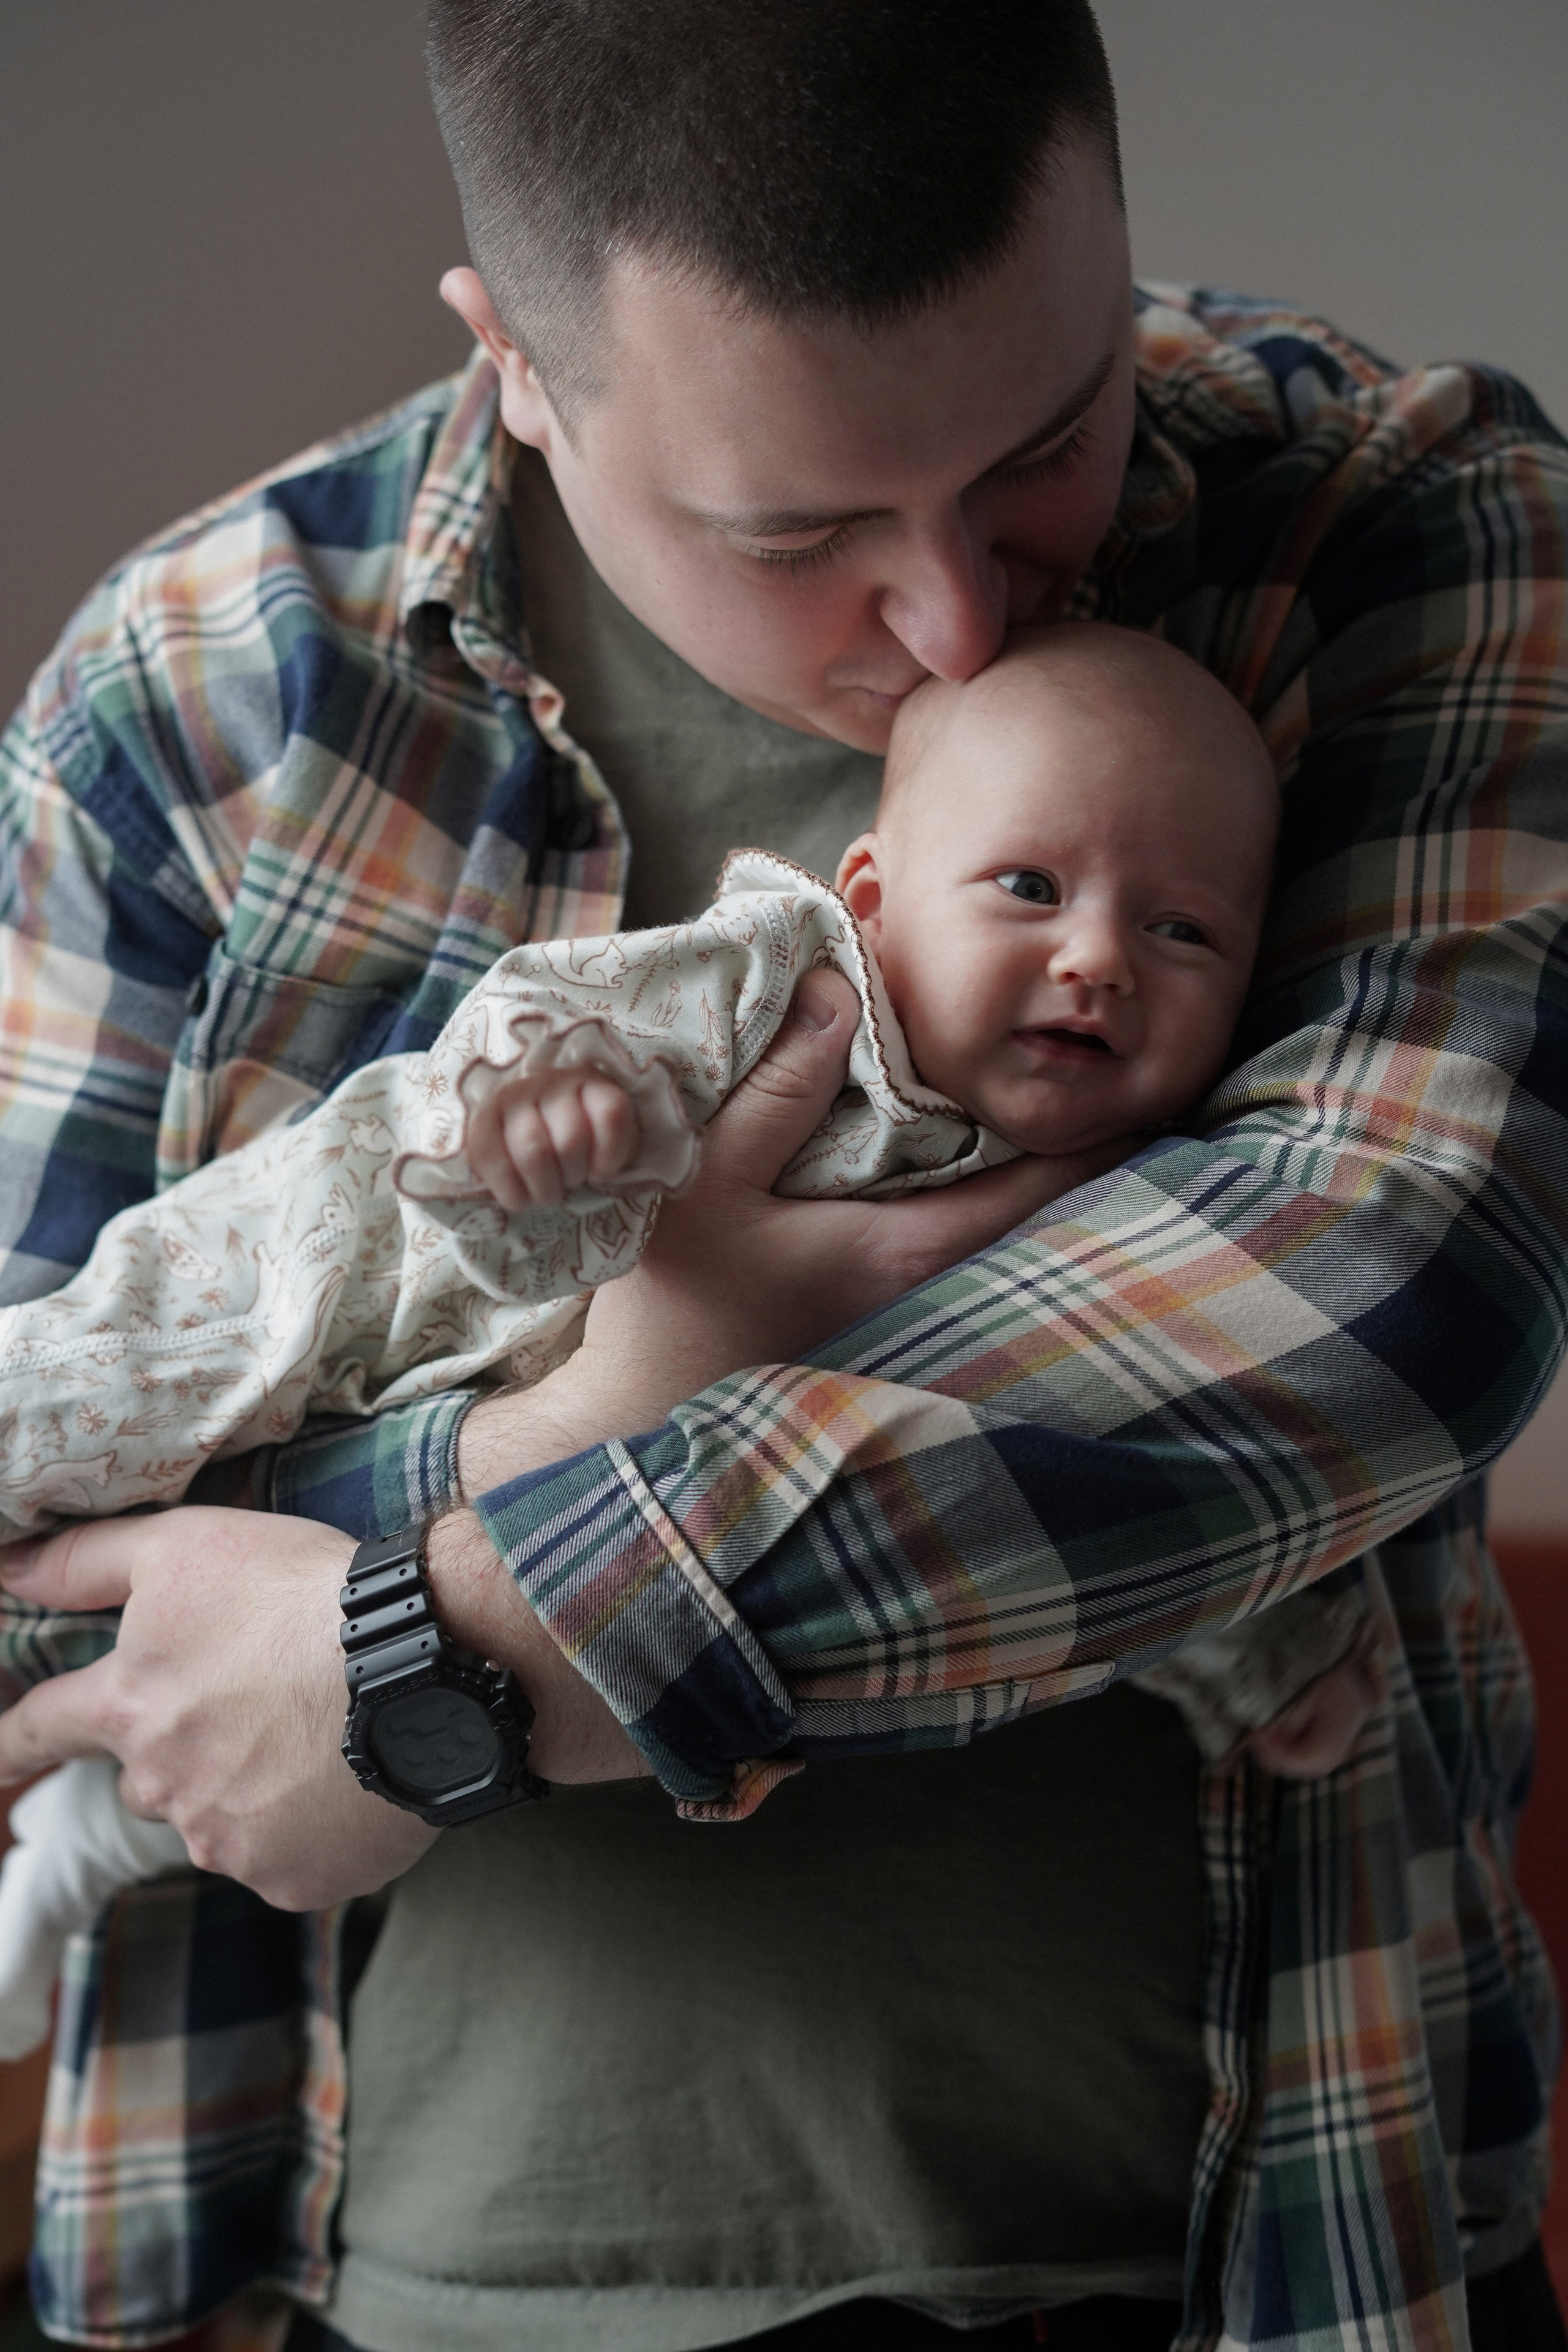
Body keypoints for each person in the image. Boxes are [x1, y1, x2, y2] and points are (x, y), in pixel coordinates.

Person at [0, 5, 1564, 2349]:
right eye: (800, 534)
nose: (960, 619)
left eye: (1049, 444)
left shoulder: (1399, 520)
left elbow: (1385, 1294)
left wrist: (440, 1638)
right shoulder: (196, 701)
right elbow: (41, 1561)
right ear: (515, 362)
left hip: (1271, 2253)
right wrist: (595, 1396)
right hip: (404, 2271)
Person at [0, 624, 1382, 2063]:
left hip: (483, 1536)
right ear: (874, 898)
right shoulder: (789, 985)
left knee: (285, 1710)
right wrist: (553, 1114)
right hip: (333, 1276)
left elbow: (1084, 1470)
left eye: (1181, 932)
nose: (1096, 959)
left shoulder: (1127, 1210)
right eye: (1028, 888)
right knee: (68, 1412)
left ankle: (77, 1853)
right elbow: (559, 1023)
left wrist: (1269, 1658)